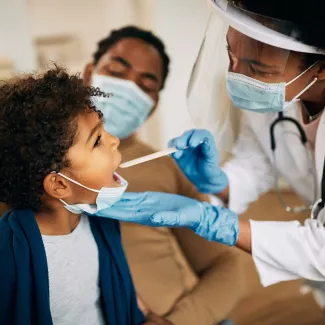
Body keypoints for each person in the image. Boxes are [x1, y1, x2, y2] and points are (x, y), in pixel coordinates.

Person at [95, 0, 325, 315]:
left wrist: (217, 223)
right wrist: (219, 183)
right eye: (232, 57)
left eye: (257, 69)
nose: (239, 76)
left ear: (320, 69)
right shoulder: (276, 98)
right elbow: (256, 165)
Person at [83, 26, 243, 325]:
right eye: (117, 72)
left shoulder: (165, 167)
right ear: (89, 73)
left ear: (153, 103)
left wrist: (178, 322)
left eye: (146, 85)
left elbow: (225, 264)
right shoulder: (29, 160)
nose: (128, 88)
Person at [0, 66, 173, 325]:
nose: (114, 140)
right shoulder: (9, 259)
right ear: (59, 185)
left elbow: (115, 294)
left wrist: (147, 316)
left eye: (104, 131)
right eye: (97, 141)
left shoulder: (100, 223)